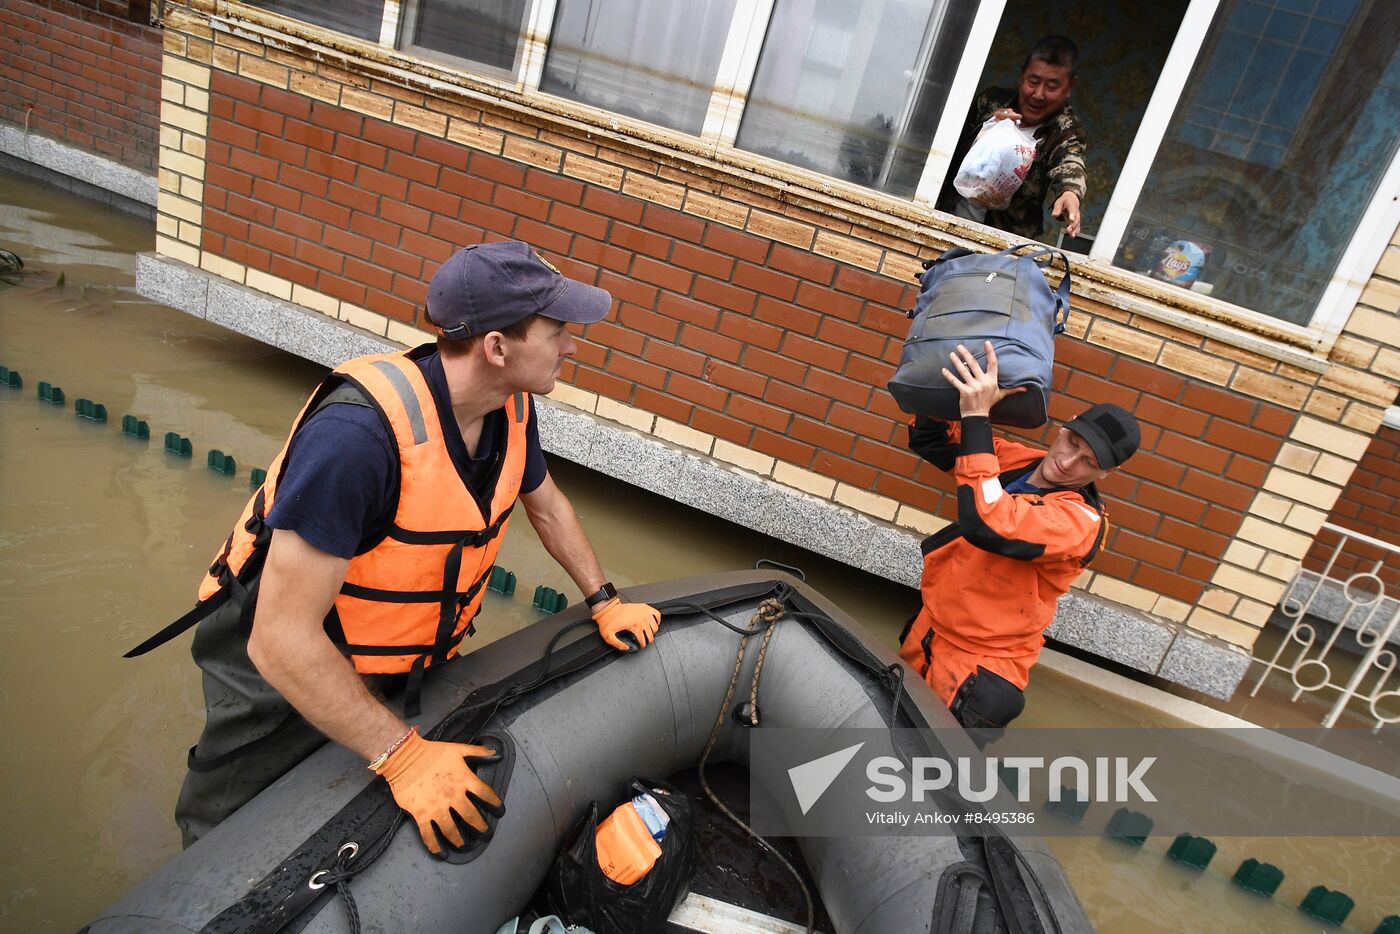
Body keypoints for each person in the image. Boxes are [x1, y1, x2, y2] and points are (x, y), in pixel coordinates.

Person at [148, 241, 663, 851]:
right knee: (226, 836)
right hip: (282, 667)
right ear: (497, 348)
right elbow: (279, 639)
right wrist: (404, 758)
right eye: (558, 332)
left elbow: (546, 506)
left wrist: (603, 600)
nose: (573, 346)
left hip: (398, 654)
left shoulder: (509, 405)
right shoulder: (356, 441)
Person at [897, 342, 1138, 734]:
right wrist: (945, 375)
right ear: (1066, 426)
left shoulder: (1078, 522)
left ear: (1107, 473)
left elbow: (989, 521)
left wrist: (979, 413)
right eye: (1073, 443)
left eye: (1089, 463)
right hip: (932, 631)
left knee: (919, 778)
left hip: (977, 670)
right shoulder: (1024, 463)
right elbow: (939, 440)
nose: (1067, 462)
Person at [937, 35, 1087, 241]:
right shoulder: (990, 102)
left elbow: (1070, 162)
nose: (1038, 94)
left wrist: (1070, 194)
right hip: (945, 221)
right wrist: (988, 130)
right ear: (1021, 76)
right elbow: (945, 148)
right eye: (1033, 82)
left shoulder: (1066, 129)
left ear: (1070, 87)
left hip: (1004, 244)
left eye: (1052, 86)